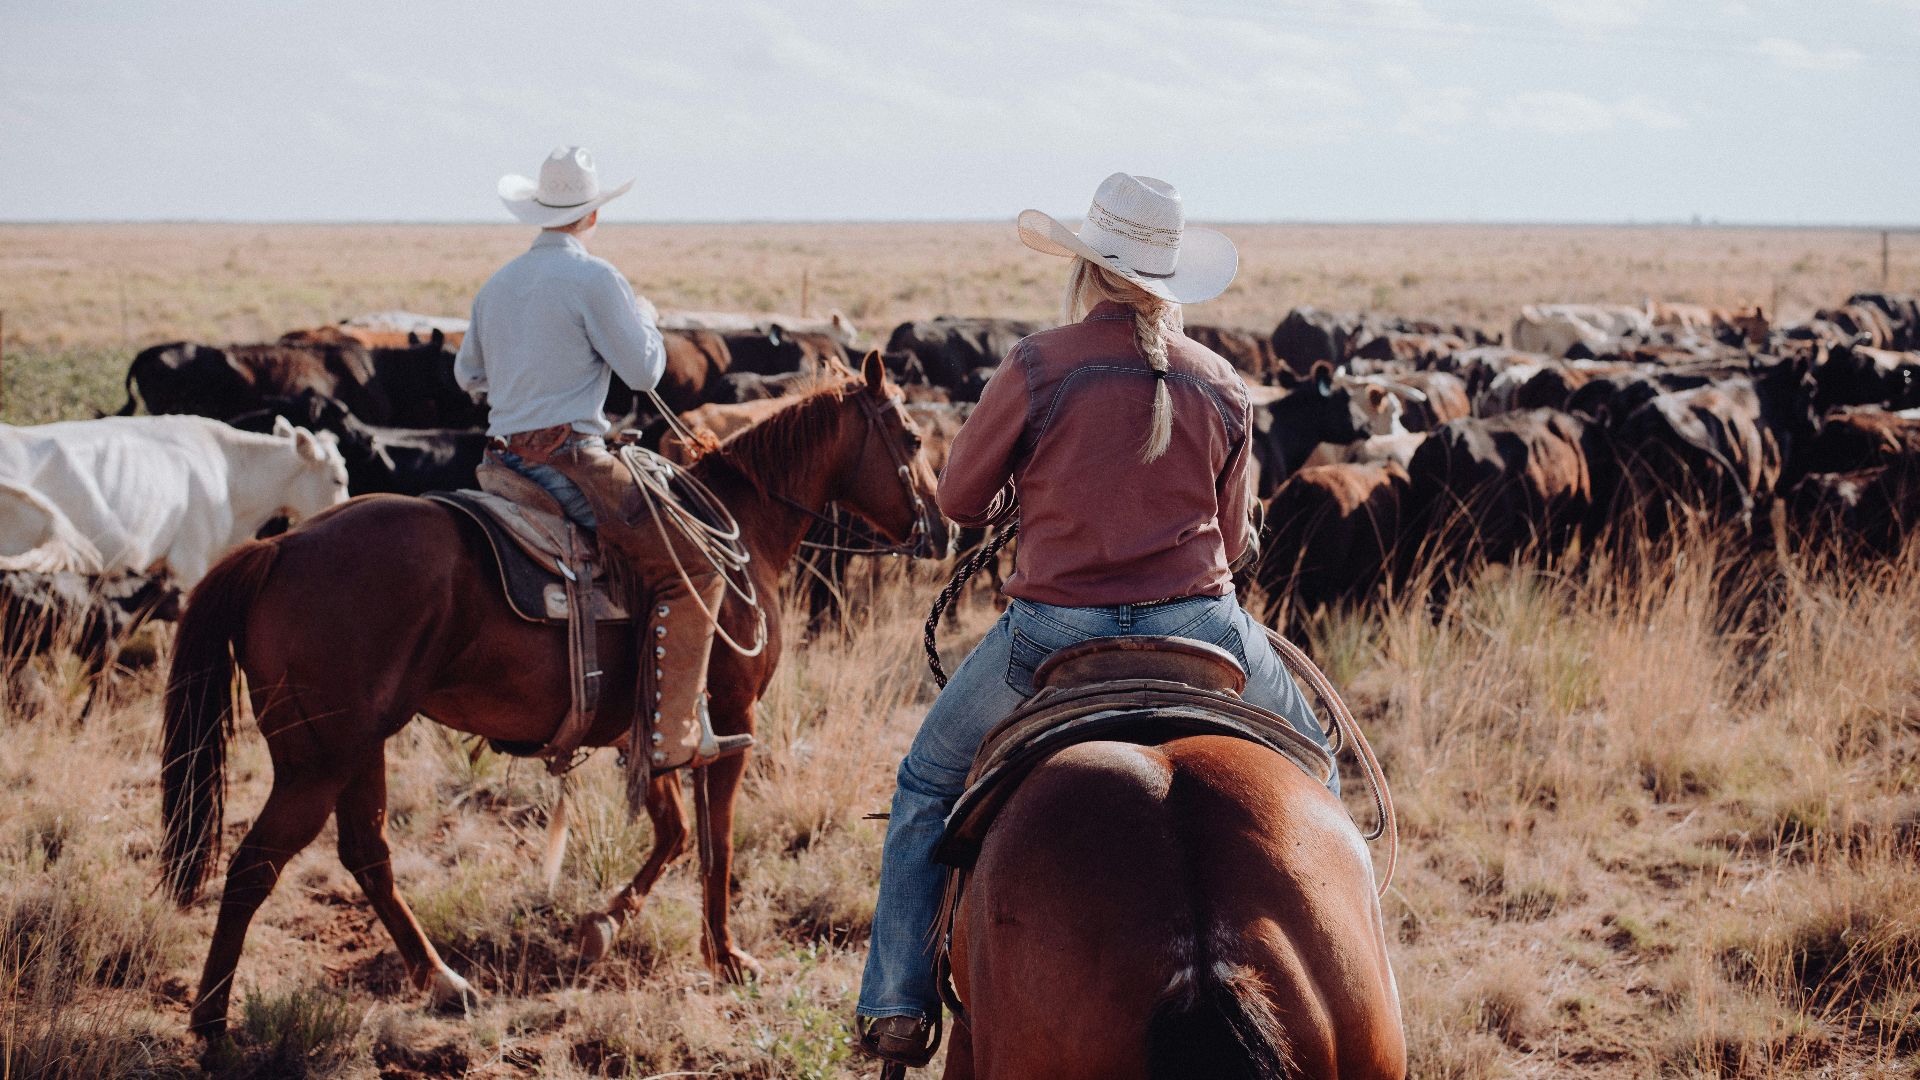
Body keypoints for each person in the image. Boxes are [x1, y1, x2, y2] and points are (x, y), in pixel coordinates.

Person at [854, 173, 1333, 1067]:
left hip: (1052, 638)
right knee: (1321, 766)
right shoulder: (1222, 380)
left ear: (1090, 266)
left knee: (926, 784)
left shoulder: (1039, 365)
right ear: (1170, 279)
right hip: (1206, 627)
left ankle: (896, 1003)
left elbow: (958, 499)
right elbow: (1231, 540)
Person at [454, 145, 751, 776]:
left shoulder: (497, 283)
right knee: (696, 566)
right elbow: (645, 372)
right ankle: (670, 735)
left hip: (500, 463)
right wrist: (641, 319)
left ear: (538, 211)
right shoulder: (596, 279)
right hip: (572, 462)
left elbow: (468, 375)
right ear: (591, 215)